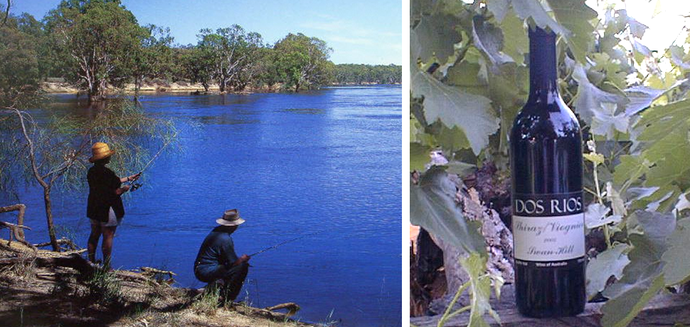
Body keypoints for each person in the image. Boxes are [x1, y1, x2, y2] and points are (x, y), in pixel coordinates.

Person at [86, 142, 140, 267]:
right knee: (108, 236)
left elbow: (109, 183)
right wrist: (125, 189)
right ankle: (107, 267)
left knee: (94, 234)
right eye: (108, 155)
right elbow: (115, 191)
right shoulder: (107, 173)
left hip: (94, 207)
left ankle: (90, 262)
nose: (110, 157)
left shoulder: (92, 171)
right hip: (107, 209)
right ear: (105, 158)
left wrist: (128, 178)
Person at [194, 209, 251, 303]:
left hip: (199, 269)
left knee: (230, 267)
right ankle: (226, 299)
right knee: (242, 266)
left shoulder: (216, 231)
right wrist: (243, 259)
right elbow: (234, 263)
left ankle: (213, 290)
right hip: (206, 272)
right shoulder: (225, 239)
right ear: (235, 225)